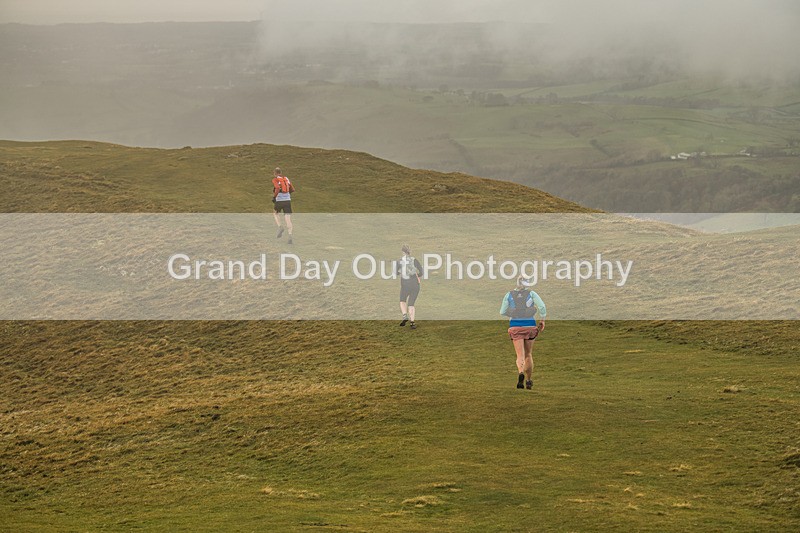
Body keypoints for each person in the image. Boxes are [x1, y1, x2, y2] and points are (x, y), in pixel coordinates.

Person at [500, 276, 546, 390]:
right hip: (530, 326)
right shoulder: (531, 294)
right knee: (528, 354)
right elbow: (542, 306)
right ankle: (528, 380)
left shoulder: (509, 295)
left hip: (515, 327)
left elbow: (502, 311)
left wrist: (512, 313)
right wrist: (542, 320)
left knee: (520, 355)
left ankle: (520, 372)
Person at [396, 244, 423, 329]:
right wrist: (417, 276)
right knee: (411, 304)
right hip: (415, 284)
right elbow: (421, 271)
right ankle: (412, 323)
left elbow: (396, 272)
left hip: (405, 285)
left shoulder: (399, 261)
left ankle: (405, 315)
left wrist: (401, 272)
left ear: (402, 252)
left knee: (402, 300)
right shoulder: (414, 260)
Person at [272, 167, 295, 244]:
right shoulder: (286, 179)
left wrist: (274, 197)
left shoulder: (275, 180)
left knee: (275, 213)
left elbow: (277, 188)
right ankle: (290, 235)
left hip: (279, 200)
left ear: (275, 173)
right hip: (287, 201)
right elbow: (292, 189)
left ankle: (280, 227)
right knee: (288, 219)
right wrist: (287, 195)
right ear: (281, 173)